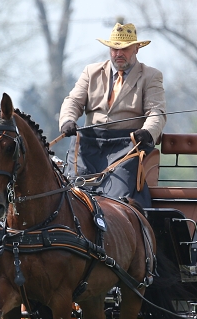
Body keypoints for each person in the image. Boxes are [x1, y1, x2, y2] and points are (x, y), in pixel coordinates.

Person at [58, 22, 166, 207]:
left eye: (124, 49)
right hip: (89, 144)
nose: (118, 54)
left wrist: (147, 131)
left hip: (127, 147)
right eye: (114, 48)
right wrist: (68, 120)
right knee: (73, 193)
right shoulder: (91, 72)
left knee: (117, 197)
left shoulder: (150, 76)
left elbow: (157, 112)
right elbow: (73, 101)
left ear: (136, 49)